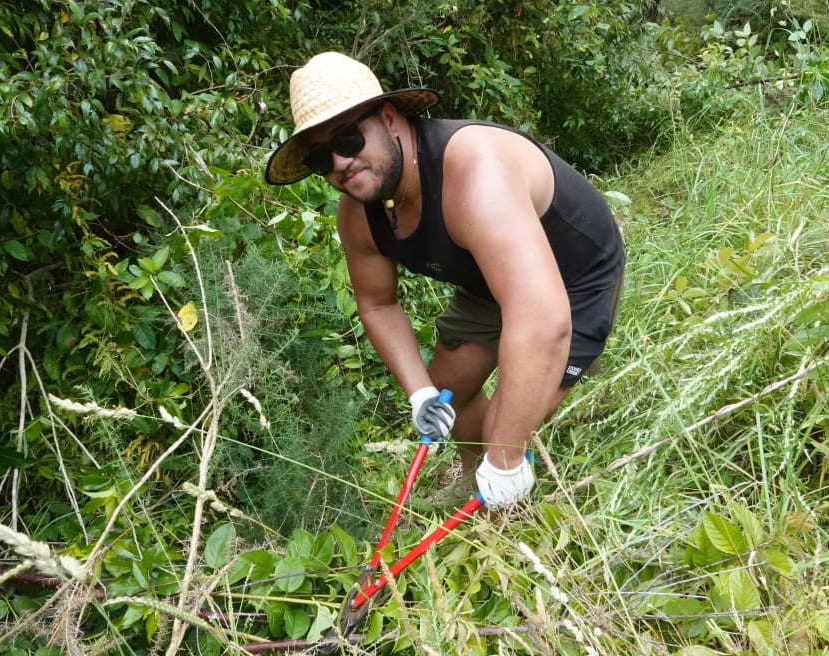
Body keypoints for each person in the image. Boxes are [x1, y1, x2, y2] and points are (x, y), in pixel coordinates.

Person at [265, 52, 625, 511]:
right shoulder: (358, 213)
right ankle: (474, 477)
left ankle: (505, 504)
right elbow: (377, 304)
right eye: (320, 157)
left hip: (574, 280)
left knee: (503, 431)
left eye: (350, 137)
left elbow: (541, 317)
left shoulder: (474, 172)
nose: (340, 162)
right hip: (488, 281)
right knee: (447, 390)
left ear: (389, 118)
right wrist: (420, 395)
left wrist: (506, 457)